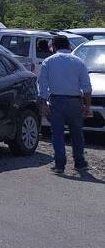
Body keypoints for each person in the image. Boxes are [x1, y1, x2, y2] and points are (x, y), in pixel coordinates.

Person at [37, 35, 93, 173]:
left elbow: (42, 85)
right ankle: (79, 162)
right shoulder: (79, 61)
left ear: (54, 47)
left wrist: (43, 104)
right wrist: (87, 106)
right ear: (68, 46)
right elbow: (87, 87)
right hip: (75, 101)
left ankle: (60, 165)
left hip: (56, 101)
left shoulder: (48, 62)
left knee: (57, 134)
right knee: (77, 133)